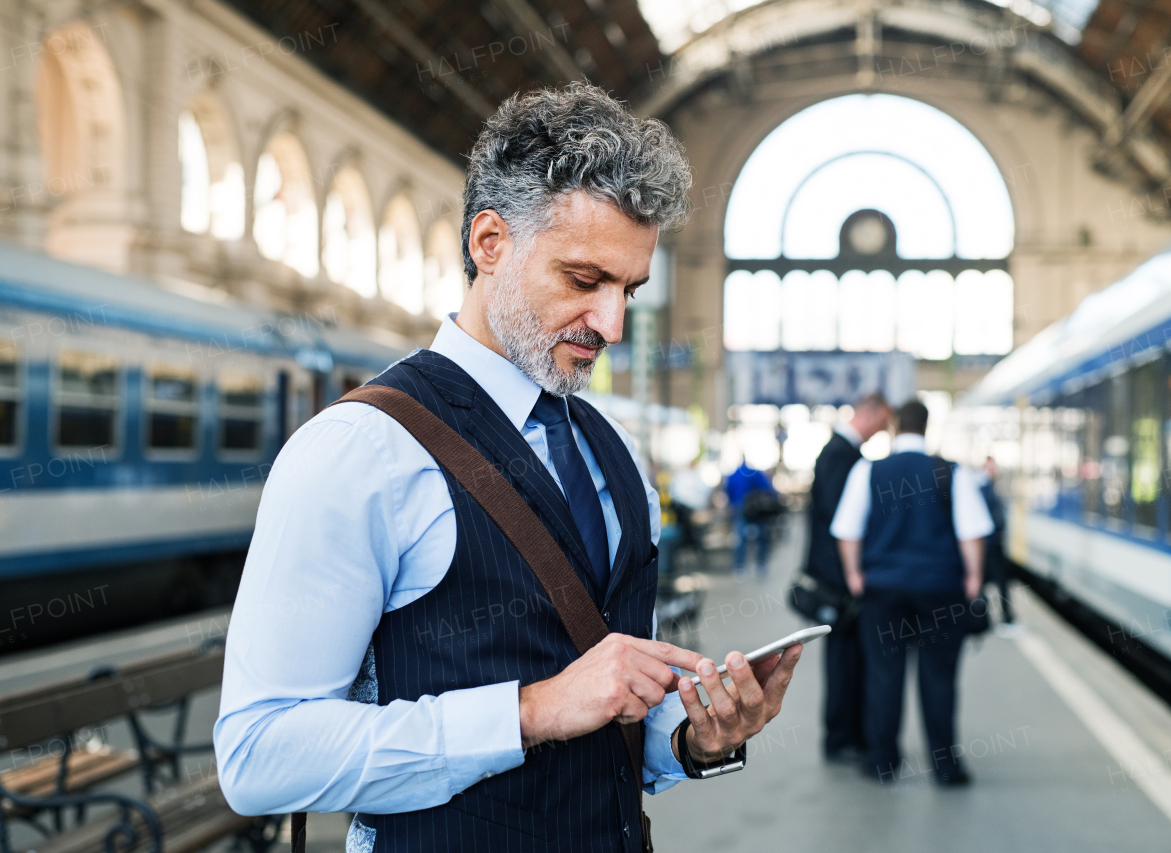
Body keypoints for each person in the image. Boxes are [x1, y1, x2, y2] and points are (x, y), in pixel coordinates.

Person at [214, 84, 803, 852]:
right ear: (489, 243)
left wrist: (696, 738)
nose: (613, 324)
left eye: (630, 289)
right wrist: (534, 709)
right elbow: (259, 756)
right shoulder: (359, 450)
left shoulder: (613, 452)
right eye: (584, 280)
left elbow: (615, 728)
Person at [830, 400, 993, 786]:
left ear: (895, 427)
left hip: (882, 590)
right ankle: (945, 766)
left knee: (883, 674)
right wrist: (973, 577)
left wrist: (854, 574)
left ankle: (882, 761)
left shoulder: (868, 470)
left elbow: (847, 529)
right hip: (941, 588)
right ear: (927, 427)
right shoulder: (951, 472)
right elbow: (972, 532)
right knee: (939, 676)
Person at [804, 393, 891, 762]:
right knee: (844, 662)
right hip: (839, 583)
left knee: (846, 660)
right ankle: (841, 738)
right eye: (884, 421)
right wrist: (854, 576)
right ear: (869, 415)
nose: (884, 429)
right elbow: (845, 525)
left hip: (837, 579)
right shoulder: (842, 455)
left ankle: (845, 735)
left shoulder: (837, 452)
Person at [978, 456, 1019, 633]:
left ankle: (992, 617)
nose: (993, 470)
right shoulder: (985, 488)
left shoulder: (988, 487)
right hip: (990, 544)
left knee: (992, 582)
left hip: (991, 544)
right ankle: (1004, 618)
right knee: (998, 582)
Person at [725, 459, 777, 576]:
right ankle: (761, 565)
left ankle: (739, 566)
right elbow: (768, 488)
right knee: (762, 536)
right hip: (756, 508)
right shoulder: (755, 473)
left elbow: (728, 490)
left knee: (740, 537)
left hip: (739, 507)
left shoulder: (734, 474)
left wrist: (733, 503)